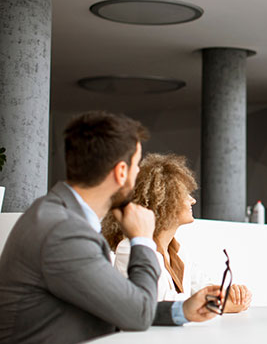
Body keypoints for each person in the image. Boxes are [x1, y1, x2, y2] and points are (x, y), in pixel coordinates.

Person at [0, 111, 220, 344]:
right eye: (136, 167)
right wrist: (143, 240)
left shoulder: (56, 215)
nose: (138, 176)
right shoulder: (63, 231)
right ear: (121, 172)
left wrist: (182, 310)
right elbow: (137, 314)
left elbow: (120, 306)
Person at [102, 153, 252, 311]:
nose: (192, 200)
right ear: (164, 201)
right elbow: (159, 302)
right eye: (184, 194)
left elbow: (203, 287)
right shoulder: (131, 248)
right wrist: (215, 304)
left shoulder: (178, 252)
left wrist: (231, 295)